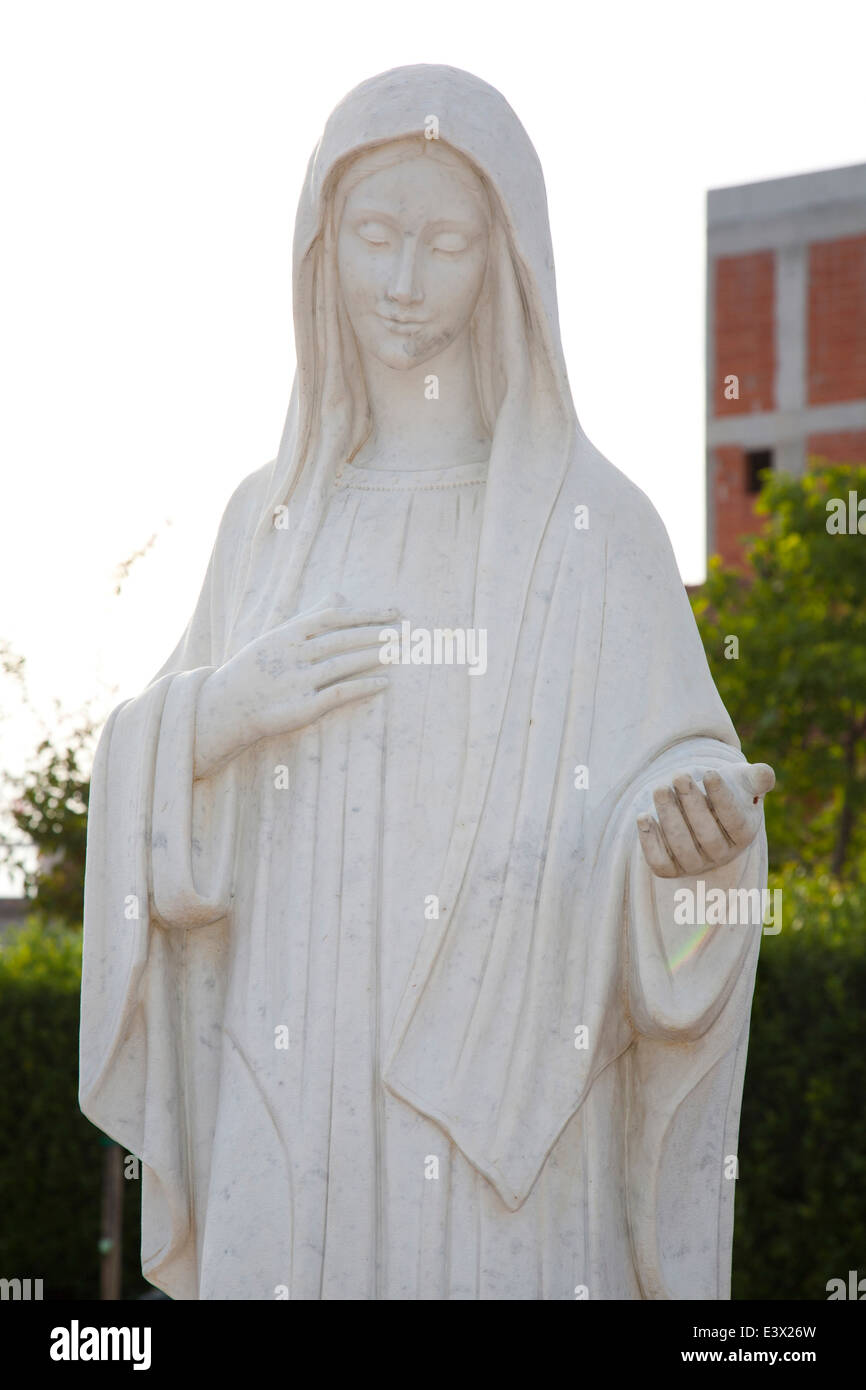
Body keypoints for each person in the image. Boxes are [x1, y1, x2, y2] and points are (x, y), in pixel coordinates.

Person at [80, 64, 773, 1300]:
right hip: (285, 1060)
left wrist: (688, 850)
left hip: (502, 1092)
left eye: (443, 243)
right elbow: (145, 784)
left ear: (502, 256)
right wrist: (215, 717)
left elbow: (675, 788)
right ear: (320, 246)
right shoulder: (270, 519)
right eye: (374, 237)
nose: (401, 284)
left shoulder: (595, 528)